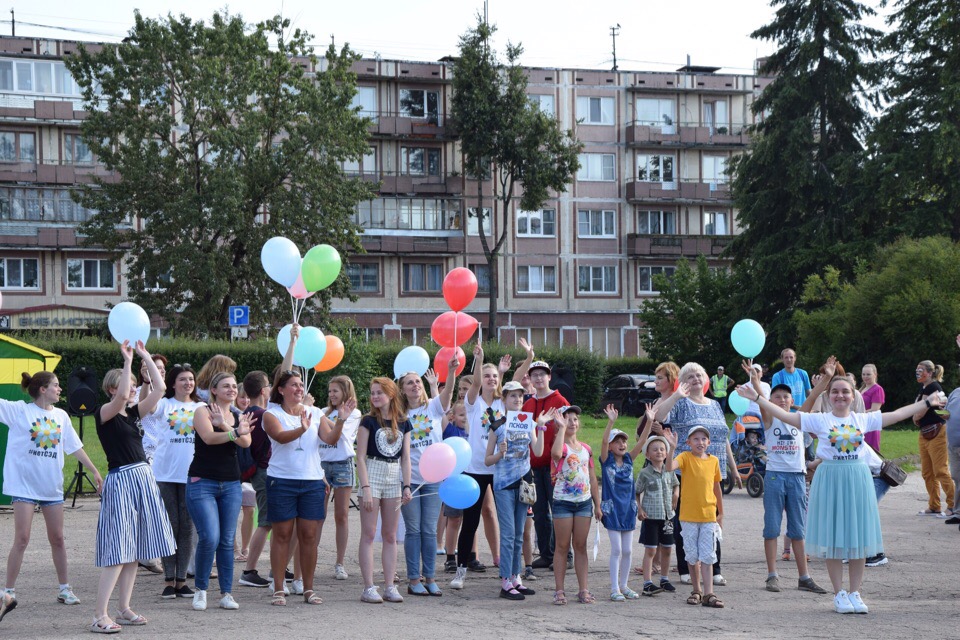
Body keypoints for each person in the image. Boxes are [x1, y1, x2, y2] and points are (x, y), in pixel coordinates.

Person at [736, 371, 943, 614]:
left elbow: (897, 415)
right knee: (833, 538)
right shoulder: (820, 420)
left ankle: (855, 591)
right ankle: (839, 593)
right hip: (830, 480)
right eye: (835, 391)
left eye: (845, 391)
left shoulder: (861, 419)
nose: (840, 395)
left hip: (857, 480)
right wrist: (758, 398)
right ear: (829, 396)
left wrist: (927, 402)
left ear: (853, 395)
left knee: (859, 537)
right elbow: (784, 415)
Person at [0, 370, 103, 609]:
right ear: (42, 389)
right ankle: (8, 592)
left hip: (51, 487)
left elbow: (75, 446)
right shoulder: (19, 411)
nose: (60, 389)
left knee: (57, 539)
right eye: (56, 385)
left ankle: (64, 589)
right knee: (22, 538)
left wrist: (94, 470)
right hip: (24, 486)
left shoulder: (62, 416)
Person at [92, 340, 175, 632]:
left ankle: (123, 607)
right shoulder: (106, 413)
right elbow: (119, 400)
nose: (130, 390)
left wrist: (143, 356)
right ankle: (99, 614)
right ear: (113, 388)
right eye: (124, 385)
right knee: (118, 549)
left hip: (141, 478)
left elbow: (161, 388)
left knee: (135, 549)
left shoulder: (134, 414)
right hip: (122, 480)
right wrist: (127, 362)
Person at [263, 370, 354, 606]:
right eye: (293, 385)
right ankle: (279, 589)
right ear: (281, 390)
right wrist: (302, 429)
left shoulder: (315, 413)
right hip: (281, 481)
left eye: (300, 385)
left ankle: (308, 589)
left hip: (312, 481)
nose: (299, 389)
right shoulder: (271, 414)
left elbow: (330, 439)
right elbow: (281, 437)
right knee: (282, 535)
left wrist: (341, 419)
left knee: (309, 536)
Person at [741, 361, 827, 595]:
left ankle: (804, 577)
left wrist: (826, 378)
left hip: (797, 478)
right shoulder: (770, 420)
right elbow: (761, 400)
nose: (780, 399)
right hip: (775, 477)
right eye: (776, 396)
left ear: (791, 400)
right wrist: (754, 379)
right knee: (771, 529)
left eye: (784, 397)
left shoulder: (800, 418)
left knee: (798, 530)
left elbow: (814, 396)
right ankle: (772, 576)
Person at [654, 362, 741, 587]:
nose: (695, 378)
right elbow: (659, 417)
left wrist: (732, 467)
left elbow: (722, 438)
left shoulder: (714, 404)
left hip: (714, 470)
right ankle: (686, 567)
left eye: (699, 375)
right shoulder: (681, 402)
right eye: (690, 376)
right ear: (682, 381)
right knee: (687, 521)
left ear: (706, 379)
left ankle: (714, 569)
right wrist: (675, 396)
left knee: (712, 519)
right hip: (687, 472)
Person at [186, 372, 254, 611]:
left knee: (226, 540)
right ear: (213, 390)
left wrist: (229, 426)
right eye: (226, 386)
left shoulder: (237, 415)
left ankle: (226, 593)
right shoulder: (202, 411)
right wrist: (234, 432)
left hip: (231, 484)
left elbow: (246, 443)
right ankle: (201, 590)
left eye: (235, 386)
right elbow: (208, 438)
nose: (232, 389)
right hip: (202, 481)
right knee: (210, 537)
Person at [400, 356, 458, 597]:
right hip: (410, 480)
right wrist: (403, 483)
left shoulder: (433, 406)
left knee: (429, 530)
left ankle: (430, 577)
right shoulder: (399, 414)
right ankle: (414, 579)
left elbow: (448, 395)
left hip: (433, 479)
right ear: (402, 390)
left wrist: (451, 372)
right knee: (413, 530)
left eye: (417, 382)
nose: (415, 385)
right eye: (409, 383)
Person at [484, 380, 545, 600]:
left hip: (524, 484)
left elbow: (537, 451)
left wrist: (540, 428)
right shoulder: (497, 425)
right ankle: (505, 581)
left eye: (520, 396)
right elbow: (487, 460)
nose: (517, 400)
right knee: (508, 534)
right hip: (503, 485)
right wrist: (500, 453)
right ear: (504, 399)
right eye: (512, 396)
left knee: (520, 533)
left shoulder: (528, 423)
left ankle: (515, 576)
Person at [149, 363, 204, 599]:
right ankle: (168, 580)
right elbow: (147, 404)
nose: (187, 383)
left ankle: (181, 580)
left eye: (191, 379)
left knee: (187, 528)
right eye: (182, 379)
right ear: (173, 383)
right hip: (165, 474)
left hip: (192, 474)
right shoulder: (164, 404)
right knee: (170, 526)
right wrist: (146, 380)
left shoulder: (201, 407)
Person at [356, 377, 412, 603]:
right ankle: (369, 586)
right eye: (373, 392)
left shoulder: (404, 422)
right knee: (369, 533)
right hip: (373, 472)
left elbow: (406, 457)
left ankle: (390, 585)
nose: (375, 396)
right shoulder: (367, 421)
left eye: (379, 392)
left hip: (393, 477)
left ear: (391, 394)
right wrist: (366, 487)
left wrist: (406, 485)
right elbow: (359, 456)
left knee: (390, 535)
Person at [522, 357, 571, 572]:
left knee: (558, 509)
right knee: (540, 512)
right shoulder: (528, 404)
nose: (539, 378)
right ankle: (546, 553)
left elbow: (570, 431)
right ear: (530, 379)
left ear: (549, 377)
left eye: (542, 374)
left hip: (555, 465)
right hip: (533, 465)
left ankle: (565, 554)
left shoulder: (560, 402)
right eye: (535, 375)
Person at [550, 405, 601, 605]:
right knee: (562, 546)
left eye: (575, 419)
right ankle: (559, 590)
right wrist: (561, 430)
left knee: (580, 546)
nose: (572, 422)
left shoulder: (586, 448)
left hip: (583, 503)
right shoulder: (561, 446)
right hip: (563, 502)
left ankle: (583, 589)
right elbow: (555, 455)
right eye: (567, 418)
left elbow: (592, 478)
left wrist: (597, 504)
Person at [672, 426, 725, 608]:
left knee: (708, 555)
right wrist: (672, 447)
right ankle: (696, 590)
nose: (700, 442)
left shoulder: (714, 461)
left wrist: (721, 512)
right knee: (692, 555)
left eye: (704, 439)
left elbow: (716, 487)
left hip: (708, 515)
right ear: (688, 443)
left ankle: (709, 593)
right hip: (688, 516)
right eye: (696, 439)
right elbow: (668, 468)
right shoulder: (685, 457)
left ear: (709, 442)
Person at [598, 405, 644, 601]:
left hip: (628, 510)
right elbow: (602, 441)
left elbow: (642, 443)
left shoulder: (629, 460)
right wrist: (611, 422)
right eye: (617, 441)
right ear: (609, 446)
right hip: (612, 510)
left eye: (624, 441)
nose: (622, 444)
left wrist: (649, 421)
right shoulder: (606, 460)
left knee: (628, 550)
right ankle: (614, 588)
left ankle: (625, 586)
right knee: (616, 549)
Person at [318, 376, 362, 581]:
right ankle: (311, 557)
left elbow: (343, 435)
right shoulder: (323, 412)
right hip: (322, 465)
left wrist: (322, 418)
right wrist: (320, 416)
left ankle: (340, 563)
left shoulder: (354, 413)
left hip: (343, 465)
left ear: (345, 391)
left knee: (341, 516)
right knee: (317, 515)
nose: (331, 395)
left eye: (335, 390)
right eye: (329, 391)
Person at [238, 372, 275, 589]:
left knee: (271, 520)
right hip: (264, 471)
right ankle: (249, 570)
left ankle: (276, 566)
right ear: (263, 391)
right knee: (267, 521)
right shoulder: (262, 415)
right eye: (269, 386)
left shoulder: (248, 412)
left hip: (257, 471)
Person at [635, 432, 679, 596]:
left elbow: (676, 484)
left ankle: (664, 579)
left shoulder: (669, 471)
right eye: (655, 449)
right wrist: (639, 508)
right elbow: (637, 492)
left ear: (666, 453)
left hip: (668, 517)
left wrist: (676, 494)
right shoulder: (645, 473)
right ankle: (647, 583)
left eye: (662, 449)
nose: (659, 452)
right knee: (651, 551)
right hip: (651, 518)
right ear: (647, 454)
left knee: (667, 548)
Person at [914, 360, 954, 517]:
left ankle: (953, 506)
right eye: (917, 370)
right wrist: (916, 417)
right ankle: (934, 505)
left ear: (929, 373)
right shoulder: (923, 388)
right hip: (925, 433)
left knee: (940, 471)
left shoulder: (933, 387)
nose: (917, 372)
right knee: (927, 472)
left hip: (937, 432)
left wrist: (915, 417)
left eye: (920, 370)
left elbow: (920, 411)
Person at [441, 401, 468, 573]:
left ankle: (470, 556)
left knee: (469, 521)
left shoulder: (475, 432)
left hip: (471, 481)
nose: (465, 418)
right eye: (461, 415)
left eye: (468, 414)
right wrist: (435, 388)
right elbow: (439, 410)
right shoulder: (450, 431)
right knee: (454, 519)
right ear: (452, 416)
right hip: (453, 480)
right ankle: (450, 557)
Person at [860, 365, 885, 452]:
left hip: (870, 424)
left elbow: (875, 409)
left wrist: (859, 414)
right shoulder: (863, 388)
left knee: (870, 451)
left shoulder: (877, 389)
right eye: (863, 374)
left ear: (875, 374)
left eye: (868, 374)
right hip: (861, 423)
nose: (865, 377)